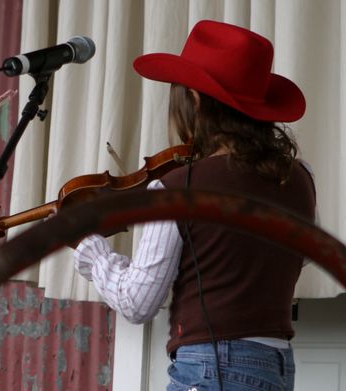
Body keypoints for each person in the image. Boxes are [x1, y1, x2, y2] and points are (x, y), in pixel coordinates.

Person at [73, 20, 316, 391]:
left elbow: (137, 303)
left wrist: (91, 250)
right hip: (276, 365)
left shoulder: (178, 188)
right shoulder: (301, 177)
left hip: (214, 367)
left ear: (196, 100)